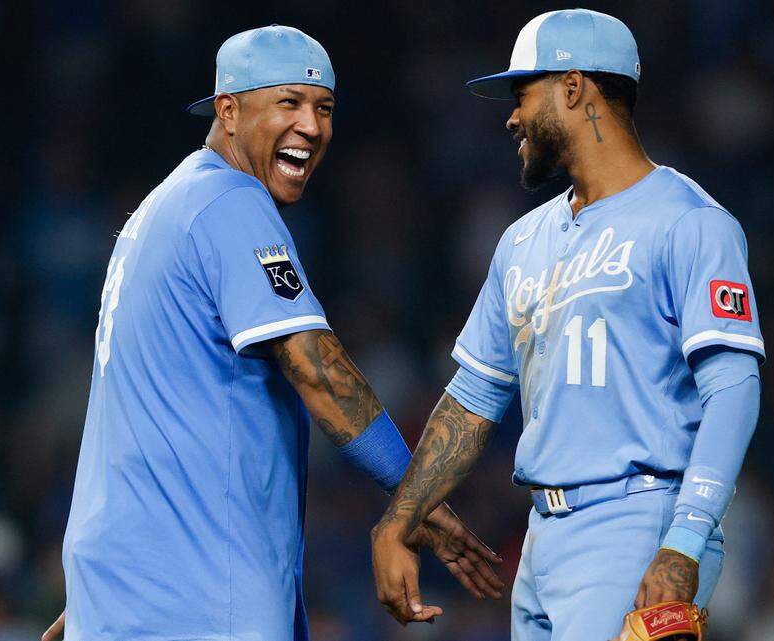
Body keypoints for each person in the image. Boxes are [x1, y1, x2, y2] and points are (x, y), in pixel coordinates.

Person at [42, 25, 502, 641]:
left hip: (136, 589)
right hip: (202, 592)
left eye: (324, 108)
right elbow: (317, 368)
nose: (312, 126)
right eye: (289, 102)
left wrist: (113, 599)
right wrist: (414, 490)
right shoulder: (229, 202)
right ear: (228, 111)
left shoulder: (160, 210)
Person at [370, 9, 764, 640]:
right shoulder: (522, 240)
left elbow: (733, 387)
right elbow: (473, 398)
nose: (511, 116)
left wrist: (685, 540)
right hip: (542, 538)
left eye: (522, 94)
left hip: (640, 523)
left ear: (574, 88)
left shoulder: (690, 222)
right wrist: (401, 517)